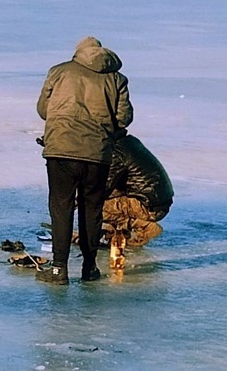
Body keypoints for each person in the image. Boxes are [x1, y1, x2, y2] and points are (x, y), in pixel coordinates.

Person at [35, 36, 132, 281]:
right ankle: (89, 268)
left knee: (61, 208)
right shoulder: (116, 79)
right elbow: (124, 118)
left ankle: (59, 269)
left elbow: (43, 111)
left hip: (61, 149)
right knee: (92, 210)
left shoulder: (58, 72)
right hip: (97, 153)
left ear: (78, 52)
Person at [102, 132, 173, 270]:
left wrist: (69, 204)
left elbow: (103, 188)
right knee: (110, 201)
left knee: (95, 205)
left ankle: (144, 228)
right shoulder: (128, 143)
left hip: (148, 206)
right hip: (157, 202)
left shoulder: (118, 151)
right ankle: (115, 231)